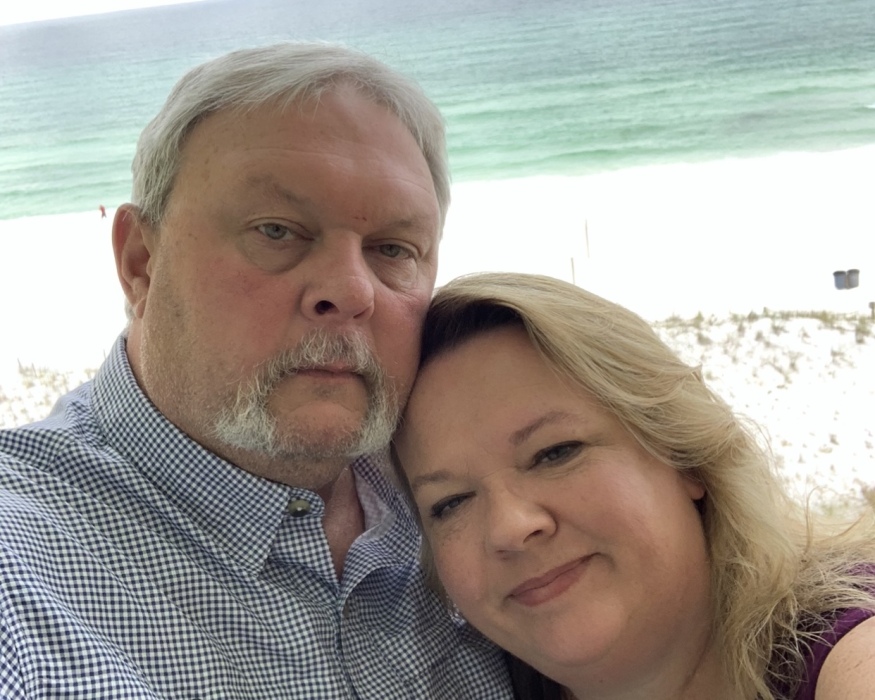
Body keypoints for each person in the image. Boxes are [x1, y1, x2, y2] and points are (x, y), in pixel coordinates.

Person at [0, 44, 512, 698]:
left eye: (392, 249)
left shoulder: (477, 492)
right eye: (276, 231)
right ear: (140, 262)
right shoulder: (23, 578)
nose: (350, 291)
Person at [393, 271, 875, 700]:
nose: (509, 527)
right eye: (450, 503)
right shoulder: (470, 681)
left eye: (555, 452)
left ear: (685, 457)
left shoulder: (845, 650)